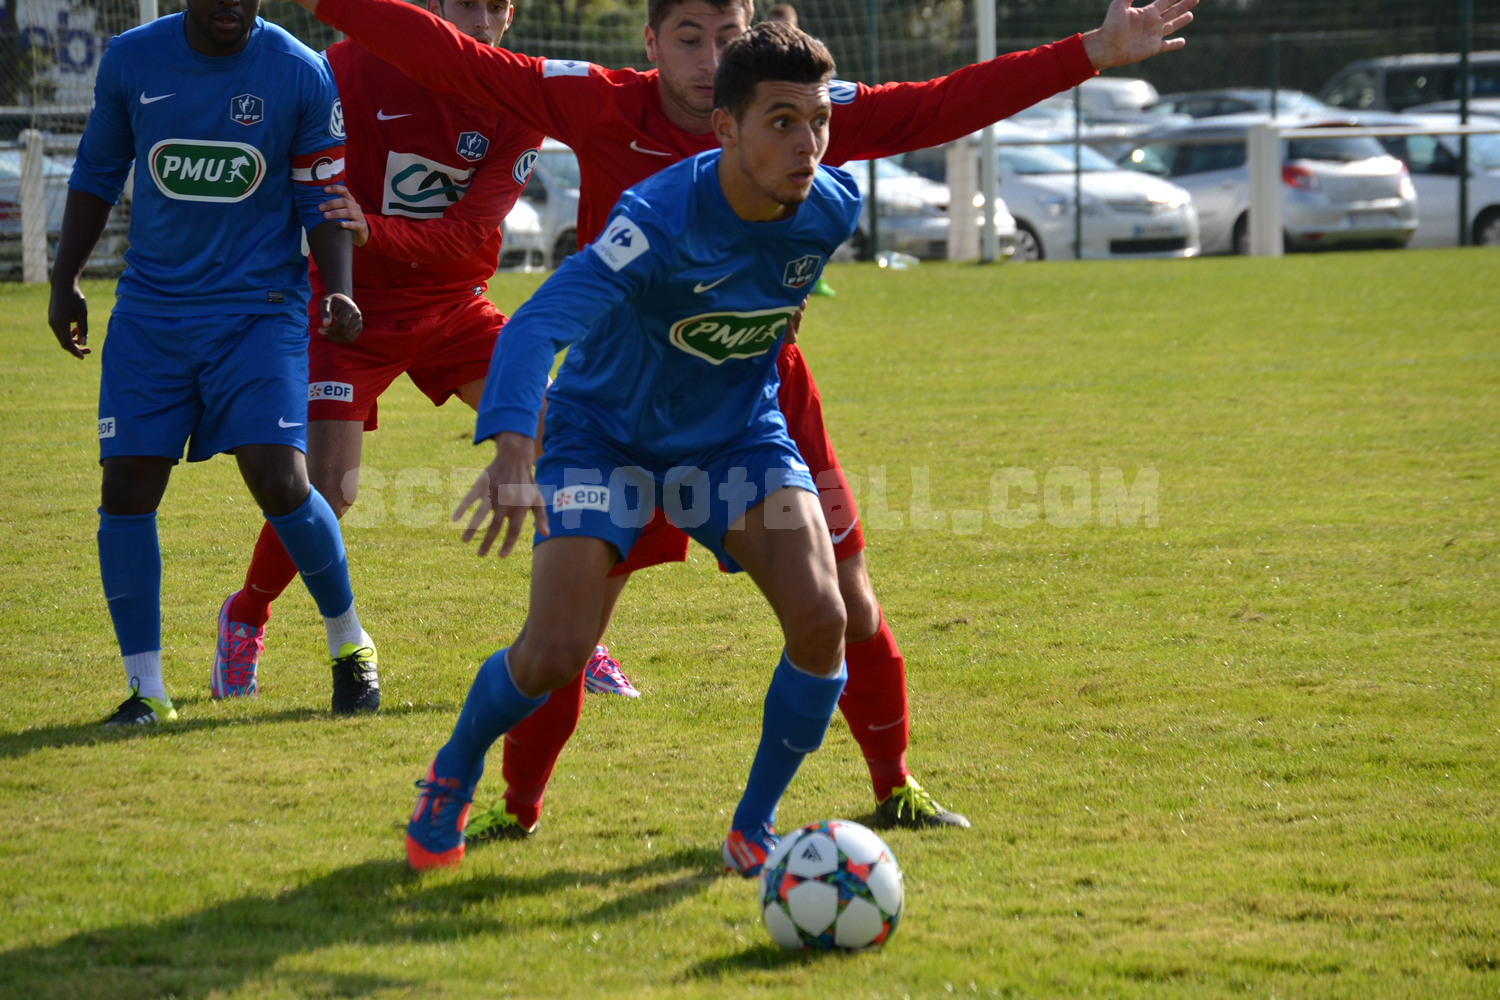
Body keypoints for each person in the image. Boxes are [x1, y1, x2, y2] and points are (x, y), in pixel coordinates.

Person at [282, 0, 1196, 834]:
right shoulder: (601, 108)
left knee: (845, 605)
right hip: (620, 405)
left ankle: (886, 786)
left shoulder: (798, 118)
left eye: (729, 35)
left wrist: (1091, 52)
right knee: (565, 640)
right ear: (653, 45)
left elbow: (938, 104)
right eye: (690, 36)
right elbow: (447, 56)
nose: (711, 55)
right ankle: (509, 805)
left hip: (754, 394)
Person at [407, 20, 861, 873]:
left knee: (822, 616)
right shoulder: (655, 218)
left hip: (731, 440)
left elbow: (767, 296)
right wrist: (512, 445)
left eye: (819, 121)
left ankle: (751, 829)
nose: (809, 145)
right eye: (781, 122)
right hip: (603, 437)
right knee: (554, 655)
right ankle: (453, 768)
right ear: (724, 127)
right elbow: (540, 321)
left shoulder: (831, 208)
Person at [205, 0, 643, 707]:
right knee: (331, 491)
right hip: (349, 306)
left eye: (494, 6)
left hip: (453, 304)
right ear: (432, 7)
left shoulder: (517, 100)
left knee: (569, 441)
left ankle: (575, 638)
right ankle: (245, 616)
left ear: (510, 16)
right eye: (463, 2)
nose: (479, 19)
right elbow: (286, 167)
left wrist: (373, 229)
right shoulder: (350, 67)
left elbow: (468, 235)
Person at [49, 0, 376, 723]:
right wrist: (64, 278)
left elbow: (323, 196)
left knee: (280, 475)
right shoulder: (132, 60)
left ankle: (349, 645)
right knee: (128, 482)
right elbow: (98, 172)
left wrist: (341, 294)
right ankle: (147, 692)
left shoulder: (299, 71)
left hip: (259, 308)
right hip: (153, 311)